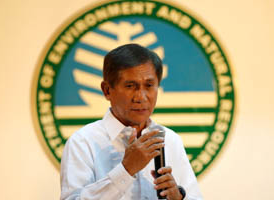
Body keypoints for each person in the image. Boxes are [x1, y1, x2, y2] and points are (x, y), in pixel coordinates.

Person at [60, 43, 203, 200]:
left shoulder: (170, 139)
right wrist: (126, 170)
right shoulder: (83, 142)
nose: (141, 97)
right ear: (107, 90)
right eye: (130, 86)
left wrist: (178, 197)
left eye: (149, 85)